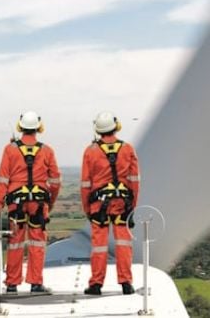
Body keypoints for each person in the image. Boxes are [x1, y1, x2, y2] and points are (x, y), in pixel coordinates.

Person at [0, 111, 61, 294]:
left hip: (16, 203)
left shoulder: (10, 149)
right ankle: (36, 283)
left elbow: (2, 179)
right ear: (39, 127)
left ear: (20, 127)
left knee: (15, 241)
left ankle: (12, 284)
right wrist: (51, 202)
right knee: (37, 243)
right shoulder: (47, 151)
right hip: (39, 204)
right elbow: (55, 181)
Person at [80, 111, 140, 296]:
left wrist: (88, 210)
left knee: (99, 246)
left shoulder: (91, 151)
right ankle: (126, 284)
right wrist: (132, 207)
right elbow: (134, 182)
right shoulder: (128, 149)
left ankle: (96, 285)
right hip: (122, 204)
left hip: (99, 206)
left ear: (98, 131)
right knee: (123, 244)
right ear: (116, 127)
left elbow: (85, 185)